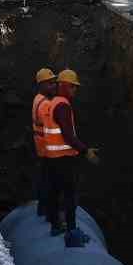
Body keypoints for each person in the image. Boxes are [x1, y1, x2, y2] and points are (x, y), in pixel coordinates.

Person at [40, 68, 100, 248]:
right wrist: (85, 150)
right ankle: (72, 234)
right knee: (70, 196)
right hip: (63, 159)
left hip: (53, 157)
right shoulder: (63, 106)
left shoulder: (52, 103)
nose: (75, 91)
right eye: (73, 87)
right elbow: (67, 135)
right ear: (65, 86)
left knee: (55, 192)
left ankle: (56, 226)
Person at [29, 66, 59, 218]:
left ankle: (43, 209)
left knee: (45, 179)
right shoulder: (45, 105)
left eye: (54, 82)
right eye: (50, 83)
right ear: (41, 85)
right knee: (51, 182)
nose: (54, 86)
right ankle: (51, 215)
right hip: (48, 150)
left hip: (42, 148)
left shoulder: (38, 99)